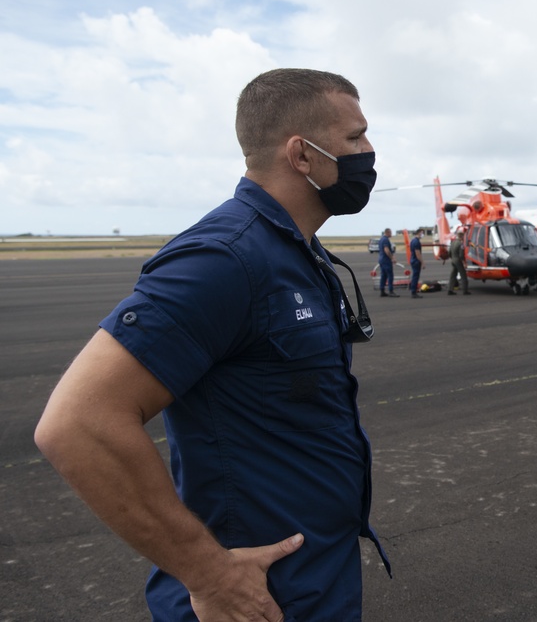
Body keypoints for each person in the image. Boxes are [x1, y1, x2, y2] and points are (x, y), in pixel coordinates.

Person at [35, 68, 392, 621]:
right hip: (254, 603)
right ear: (302, 155)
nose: (369, 152)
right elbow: (78, 423)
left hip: (315, 582)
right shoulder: (226, 259)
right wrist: (209, 574)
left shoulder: (296, 252)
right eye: (354, 138)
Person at [448, 228, 470, 295]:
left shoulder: (453, 242)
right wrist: (464, 263)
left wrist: (452, 258)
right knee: (463, 275)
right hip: (458, 261)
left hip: (453, 260)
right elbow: (461, 255)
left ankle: (450, 290)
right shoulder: (461, 244)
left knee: (453, 275)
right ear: (462, 236)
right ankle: (465, 290)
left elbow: (449, 252)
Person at [378, 227, 399, 297]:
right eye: (390, 232)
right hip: (386, 260)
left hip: (381, 259)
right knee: (390, 275)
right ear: (387, 232)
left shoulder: (381, 239)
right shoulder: (386, 240)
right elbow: (386, 250)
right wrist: (392, 258)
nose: (391, 234)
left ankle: (382, 290)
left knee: (383, 275)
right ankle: (391, 291)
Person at [409, 229, 424, 298]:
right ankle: (413, 292)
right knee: (415, 276)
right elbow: (417, 253)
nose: (422, 234)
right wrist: (422, 262)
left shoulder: (412, 241)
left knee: (415, 276)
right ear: (419, 233)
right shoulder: (416, 242)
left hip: (413, 260)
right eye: (422, 233)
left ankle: (413, 290)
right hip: (416, 261)